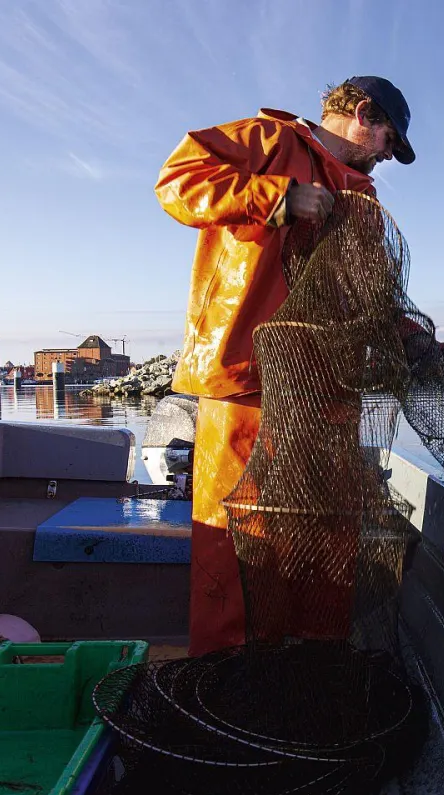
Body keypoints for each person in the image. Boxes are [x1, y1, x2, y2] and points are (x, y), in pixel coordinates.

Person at [155, 76, 416, 656]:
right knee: (237, 532)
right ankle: (226, 672)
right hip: (247, 378)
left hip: (329, 389)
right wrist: (277, 198)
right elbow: (176, 182)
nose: (383, 157)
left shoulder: (365, 199)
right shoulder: (268, 140)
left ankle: (308, 662)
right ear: (363, 114)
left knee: (325, 530)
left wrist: (408, 334)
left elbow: (373, 293)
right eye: (386, 141)